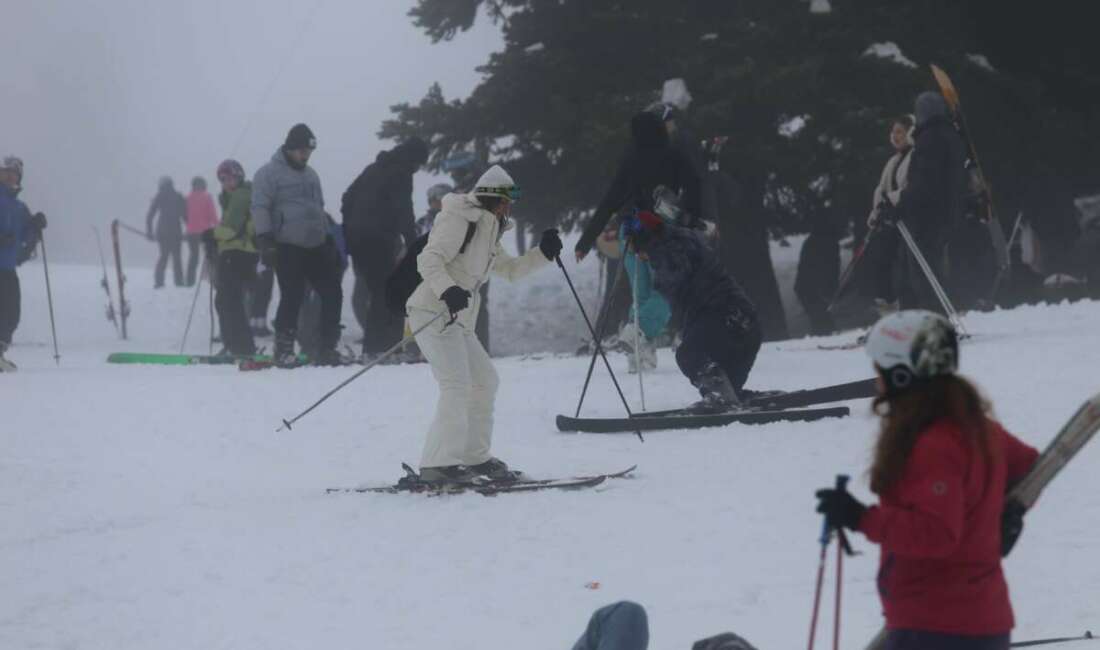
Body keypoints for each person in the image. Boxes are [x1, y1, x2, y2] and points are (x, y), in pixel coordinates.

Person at [814, 310, 1038, 650]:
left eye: (880, 370)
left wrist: (861, 517)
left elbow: (936, 534)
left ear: (902, 376)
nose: (876, 380)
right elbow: (1026, 465)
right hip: (974, 620)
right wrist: (998, 516)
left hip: (938, 628)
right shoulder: (977, 427)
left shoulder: (935, 445)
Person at [407, 165, 562, 484]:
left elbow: (511, 270)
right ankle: (438, 465)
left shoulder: (490, 228)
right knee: (457, 385)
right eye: (505, 200)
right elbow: (429, 260)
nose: (509, 207)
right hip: (432, 311)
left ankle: (474, 457)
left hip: (458, 321)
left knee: (485, 381)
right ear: (491, 197)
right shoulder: (459, 219)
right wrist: (447, 289)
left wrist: (543, 254)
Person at [575, 111, 701, 370]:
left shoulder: (630, 160)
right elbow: (695, 186)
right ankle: (636, 331)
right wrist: (696, 220)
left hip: (630, 233)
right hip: (660, 232)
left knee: (641, 294)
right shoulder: (674, 156)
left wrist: (586, 241)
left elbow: (610, 200)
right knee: (668, 291)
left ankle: (639, 354)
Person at [627, 210, 760, 412]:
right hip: (746, 322)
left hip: (725, 317)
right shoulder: (682, 238)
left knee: (688, 355)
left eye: (636, 250)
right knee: (725, 381)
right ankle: (728, 395)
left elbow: (676, 278)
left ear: (645, 240)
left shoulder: (668, 249)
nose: (639, 257)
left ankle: (723, 399)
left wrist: (658, 281)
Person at [251, 122, 344, 366]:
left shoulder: (311, 175)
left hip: (316, 245)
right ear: (290, 148)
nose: (306, 155)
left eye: (309, 151)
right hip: (287, 245)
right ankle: (283, 349)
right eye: (302, 150)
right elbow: (260, 207)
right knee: (292, 295)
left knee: (332, 292)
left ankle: (327, 347)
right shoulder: (268, 174)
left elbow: (318, 208)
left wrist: (328, 237)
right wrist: (265, 239)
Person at [341, 138, 429, 360]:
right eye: (418, 164)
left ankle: (384, 346)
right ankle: (378, 348)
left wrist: (349, 227)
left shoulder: (373, 169)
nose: (417, 169)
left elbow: (347, 197)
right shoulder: (401, 172)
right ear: (413, 159)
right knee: (387, 292)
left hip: (357, 240)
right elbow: (404, 209)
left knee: (380, 290)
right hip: (377, 239)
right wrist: (412, 243)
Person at [890, 92, 969, 312]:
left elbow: (925, 181)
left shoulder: (929, 139)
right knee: (929, 267)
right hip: (945, 212)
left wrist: (902, 203)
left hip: (927, 216)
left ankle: (933, 318)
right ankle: (931, 317)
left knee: (922, 272)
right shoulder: (951, 135)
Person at [861, 115, 914, 309]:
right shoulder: (893, 160)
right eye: (893, 132)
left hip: (907, 220)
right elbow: (881, 189)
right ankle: (887, 307)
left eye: (900, 131)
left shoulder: (914, 156)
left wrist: (891, 200)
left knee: (905, 268)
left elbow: (911, 187)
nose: (895, 136)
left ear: (910, 132)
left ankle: (908, 308)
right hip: (890, 222)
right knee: (881, 263)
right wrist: (876, 212)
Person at [206, 159, 257, 358]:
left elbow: (231, 229)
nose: (226, 182)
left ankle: (238, 347)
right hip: (239, 252)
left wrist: (211, 234)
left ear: (239, 176)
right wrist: (215, 240)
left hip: (238, 253)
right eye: (222, 179)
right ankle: (238, 345)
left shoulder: (240, 196)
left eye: (230, 177)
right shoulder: (234, 197)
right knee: (228, 300)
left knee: (228, 300)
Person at [0, 156, 46, 372]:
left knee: (11, 314)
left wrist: (36, 226)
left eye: (13, 173)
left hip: (8, 268)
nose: (9, 176)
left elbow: (26, 243)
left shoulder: (20, 208)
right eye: (5, 172)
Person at [145, 176, 187, 288]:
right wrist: (189, 231)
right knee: (177, 258)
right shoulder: (178, 197)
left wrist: (149, 231)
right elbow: (186, 216)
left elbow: (150, 215)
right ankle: (179, 281)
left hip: (162, 232)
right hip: (176, 232)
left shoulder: (159, 196)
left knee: (163, 256)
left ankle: (159, 282)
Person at [185, 176, 219, 287]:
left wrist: (189, 225)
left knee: (193, 256)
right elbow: (212, 215)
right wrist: (218, 227)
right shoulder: (207, 197)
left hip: (191, 232)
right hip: (206, 232)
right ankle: (213, 279)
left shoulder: (188, 198)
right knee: (210, 256)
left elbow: (185, 215)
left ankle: (190, 281)